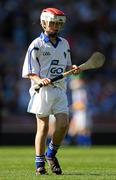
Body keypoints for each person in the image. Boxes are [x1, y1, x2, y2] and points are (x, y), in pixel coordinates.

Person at [22, 7, 80, 175]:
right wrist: (40, 80)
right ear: (44, 23)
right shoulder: (36, 45)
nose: (55, 27)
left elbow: (67, 65)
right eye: (52, 23)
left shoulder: (65, 43)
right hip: (42, 91)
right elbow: (30, 71)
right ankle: (39, 163)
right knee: (43, 127)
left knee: (63, 124)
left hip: (60, 89)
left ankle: (51, 154)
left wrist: (73, 68)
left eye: (58, 24)